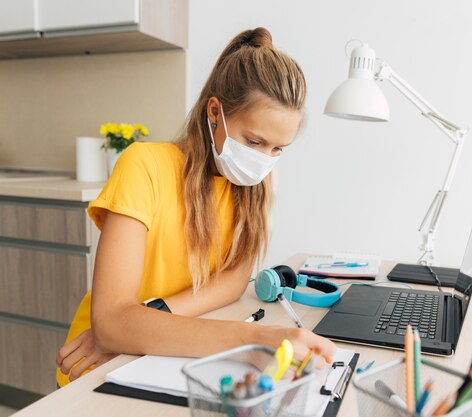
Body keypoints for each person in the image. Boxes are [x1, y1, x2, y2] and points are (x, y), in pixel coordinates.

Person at [55, 27, 336, 387]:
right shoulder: (143, 166)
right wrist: (256, 340)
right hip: (98, 365)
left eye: (277, 149)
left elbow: (233, 281)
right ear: (215, 112)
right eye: (254, 141)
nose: (264, 160)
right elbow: (110, 324)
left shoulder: (254, 183)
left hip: (153, 352)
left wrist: (147, 319)